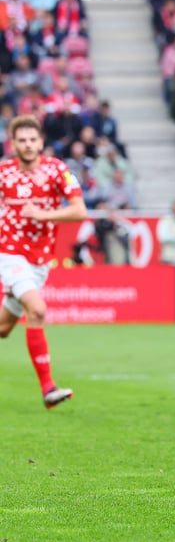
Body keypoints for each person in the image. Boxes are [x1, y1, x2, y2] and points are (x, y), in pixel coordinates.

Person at [0, 115, 86, 409]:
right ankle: (48, 388)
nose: (27, 145)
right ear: (13, 144)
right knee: (37, 309)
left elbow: (79, 211)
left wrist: (43, 214)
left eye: (32, 140)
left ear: (41, 142)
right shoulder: (3, 172)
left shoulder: (58, 170)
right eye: (21, 140)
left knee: (3, 328)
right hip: (8, 252)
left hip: (40, 259)